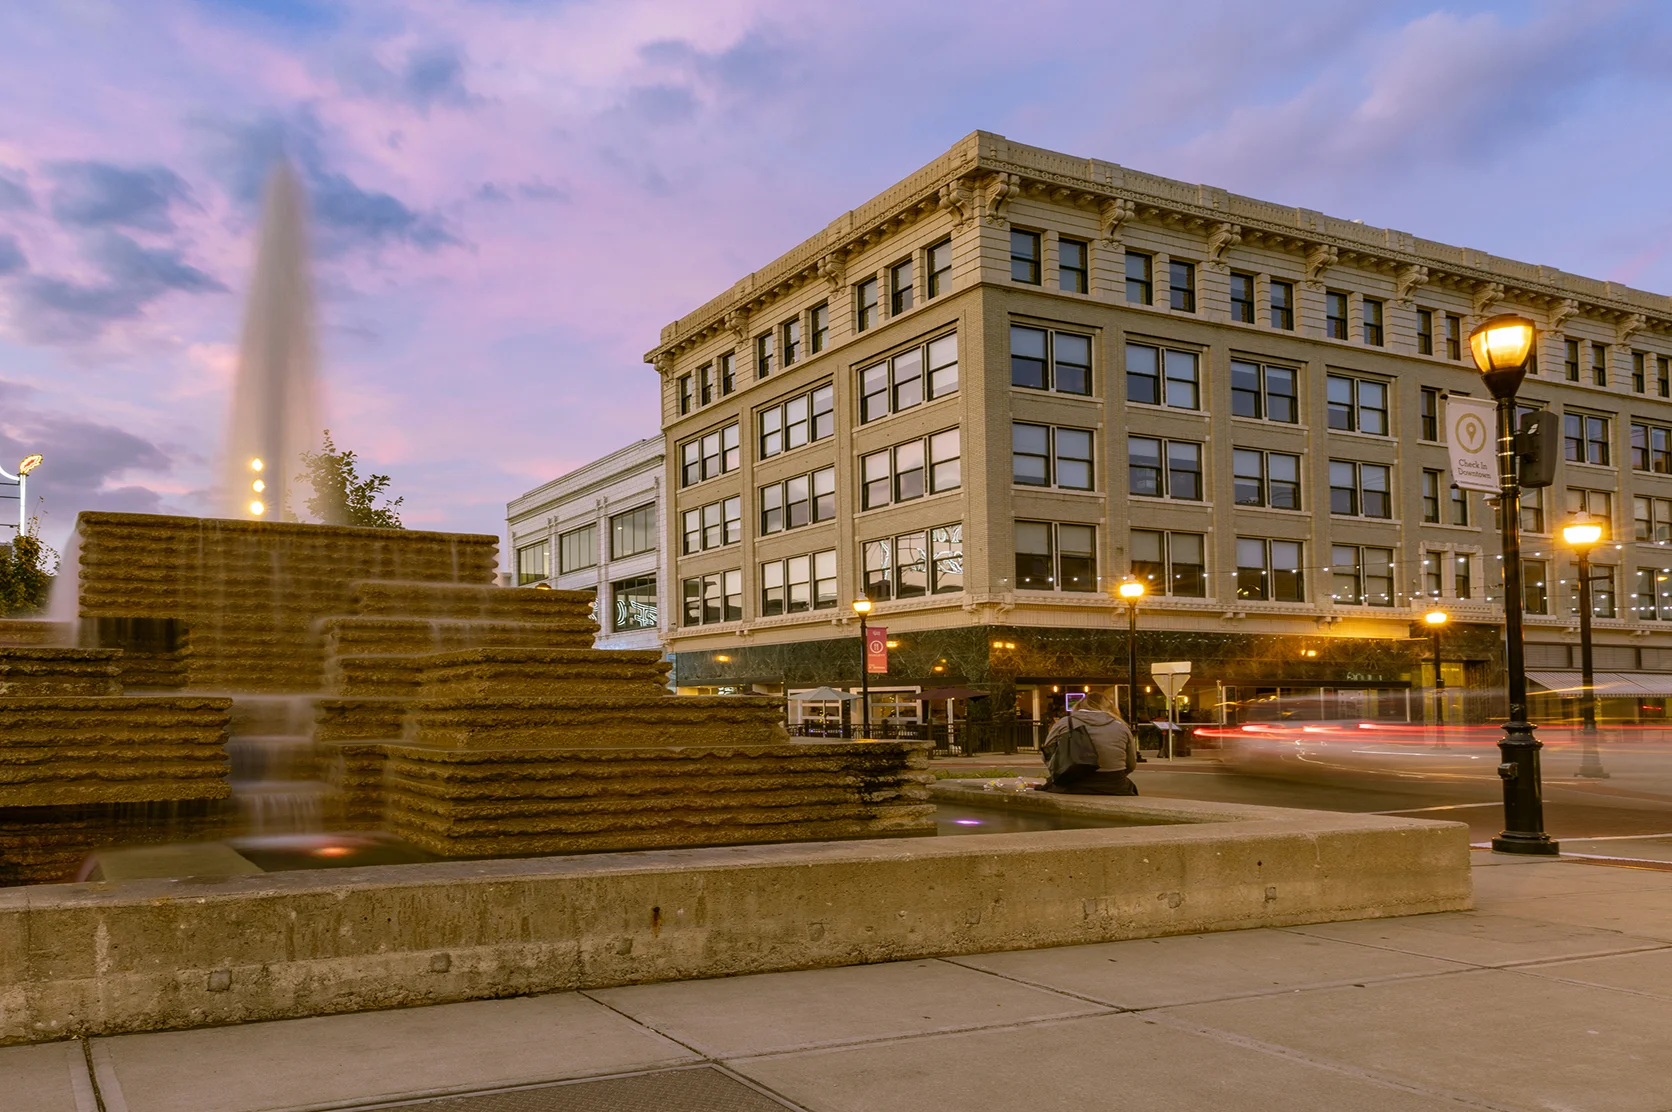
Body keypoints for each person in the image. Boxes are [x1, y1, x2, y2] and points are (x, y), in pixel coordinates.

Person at [1039, 690, 1138, 795]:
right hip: (1114, 783)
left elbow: (1047, 754)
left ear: (1080, 705)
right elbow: (1131, 764)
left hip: (1073, 782)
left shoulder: (1065, 722)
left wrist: (1060, 770)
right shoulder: (1121, 726)